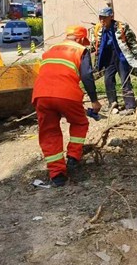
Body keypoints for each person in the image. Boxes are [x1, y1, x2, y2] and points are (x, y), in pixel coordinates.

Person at [32, 25, 102, 187]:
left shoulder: (50, 50)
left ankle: (57, 175)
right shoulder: (80, 50)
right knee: (79, 122)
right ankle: (73, 157)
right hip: (67, 94)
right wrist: (94, 100)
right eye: (84, 41)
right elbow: (86, 75)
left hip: (41, 94)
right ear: (79, 39)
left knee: (49, 132)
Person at [92, 7, 137, 115]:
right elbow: (95, 44)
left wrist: (134, 57)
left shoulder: (121, 27)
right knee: (108, 80)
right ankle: (112, 104)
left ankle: (130, 106)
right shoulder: (98, 28)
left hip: (121, 56)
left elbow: (132, 42)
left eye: (104, 18)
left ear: (111, 17)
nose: (102, 20)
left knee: (125, 80)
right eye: (100, 17)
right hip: (108, 56)